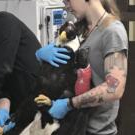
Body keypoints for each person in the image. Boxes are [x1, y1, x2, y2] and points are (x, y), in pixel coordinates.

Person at [0, 2, 70, 135]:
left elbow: (0, 69)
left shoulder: (3, 22)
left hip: (45, 105)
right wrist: (3, 109)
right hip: (19, 112)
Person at [48, 0, 128, 135]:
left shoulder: (112, 31)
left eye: (68, 0)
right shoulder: (80, 29)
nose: (66, 6)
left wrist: (70, 104)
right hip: (71, 127)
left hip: (96, 131)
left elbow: (114, 88)